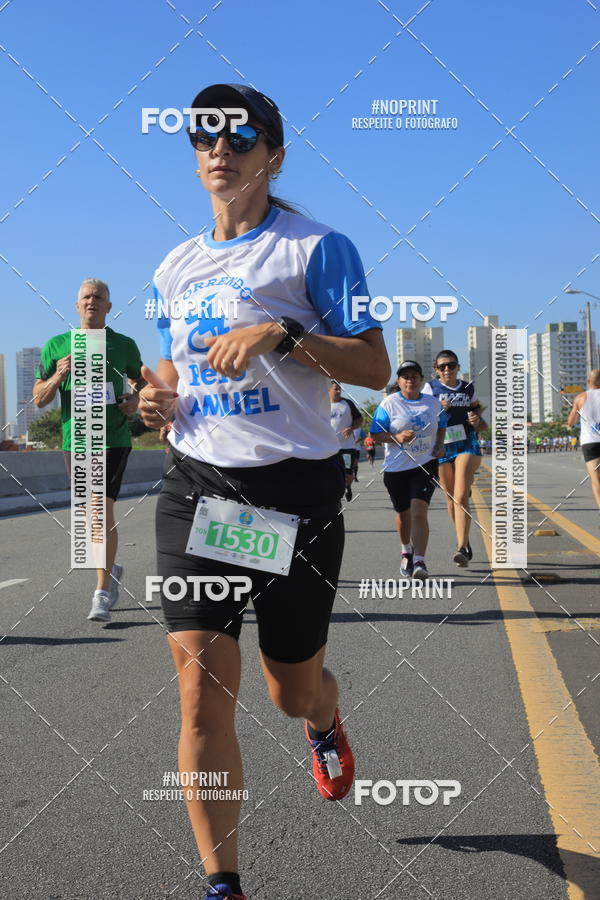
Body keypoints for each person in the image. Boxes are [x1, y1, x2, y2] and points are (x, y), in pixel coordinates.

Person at [138, 82, 390, 900]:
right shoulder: (174, 266)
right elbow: (169, 362)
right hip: (196, 491)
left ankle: (324, 718)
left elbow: (373, 367)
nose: (220, 149)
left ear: (273, 155)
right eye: (203, 136)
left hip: (295, 500)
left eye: (238, 136)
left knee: (289, 691)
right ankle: (224, 885)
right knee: (201, 699)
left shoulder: (316, 249)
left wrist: (284, 335)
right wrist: (156, 395)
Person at [33, 278, 144, 622]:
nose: (92, 301)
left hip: (113, 438)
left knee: (99, 512)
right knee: (89, 520)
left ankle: (101, 594)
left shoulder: (123, 345)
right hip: (75, 440)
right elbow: (39, 398)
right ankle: (109, 570)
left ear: (109, 307)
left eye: (99, 297)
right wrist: (57, 375)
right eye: (86, 297)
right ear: (76, 306)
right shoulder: (57, 346)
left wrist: (135, 400)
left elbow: (141, 381)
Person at [370, 360, 447, 581]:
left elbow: (442, 424)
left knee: (418, 510)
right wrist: (396, 437)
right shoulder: (389, 404)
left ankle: (420, 560)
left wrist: (440, 444)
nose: (410, 380)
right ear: (399, 381)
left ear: (421, 380)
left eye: (414, 376)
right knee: (403, 514)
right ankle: (406, 551)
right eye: (405, 377)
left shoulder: (433, 403)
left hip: (425, 464)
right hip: (396, 468)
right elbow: (375, 434)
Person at [422, 350, 486, 567]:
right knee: (450, 499)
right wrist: (437, 410)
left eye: (451, 365)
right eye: (442, 367)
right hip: (441, 446)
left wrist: (477, 418)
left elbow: (477, 411)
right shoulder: (430, 388)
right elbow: (421, 415)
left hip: (466, 442)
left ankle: (460, 548)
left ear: (458, 367)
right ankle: (465, 543)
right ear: (436, 370)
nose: (447, 370)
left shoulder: (467, 387)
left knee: (460, 496)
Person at [567, 370, 600, 509]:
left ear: (588, 382)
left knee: (596, 481)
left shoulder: (581, 398)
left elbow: (571, 422)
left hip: (590, 442)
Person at [329, 380, 363, 501]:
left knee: (348, 475)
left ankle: (348, 487)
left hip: (347, 447)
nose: (338, 391)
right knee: (332, 475)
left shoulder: (347, 403)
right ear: (328, 390)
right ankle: (336, 497)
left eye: (340, 389)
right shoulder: (322, 404)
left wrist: (351, 428)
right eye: (335, 389)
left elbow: (360, 420)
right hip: (330, 448)